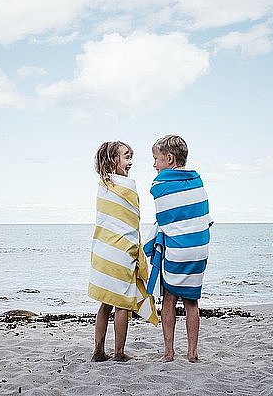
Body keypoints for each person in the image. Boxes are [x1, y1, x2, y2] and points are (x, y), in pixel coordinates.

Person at [144, 134, 212, 363]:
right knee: (192, 301)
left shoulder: (161, 185)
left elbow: (165, 219)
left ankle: (169, 352)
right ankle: (192, 353)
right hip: (198, 248)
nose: (154, 164)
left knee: (169, 298)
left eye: (156, 159)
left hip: (177, 250)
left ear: (170, 159)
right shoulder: (198, 181)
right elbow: (203, 216)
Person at [88, 140, 158, 362]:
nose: (130, 162)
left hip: (102, 251)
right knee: (122, 304)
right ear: (112, 160)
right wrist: (137, 254)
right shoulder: (128, 186)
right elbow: (131, 224)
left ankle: (98, 351)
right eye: (126, 157)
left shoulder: (102, 186)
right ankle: (118, 353)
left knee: (105, 302)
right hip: (120, 252)